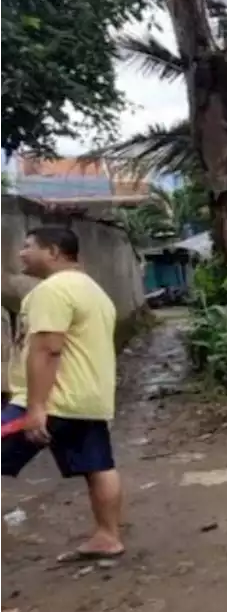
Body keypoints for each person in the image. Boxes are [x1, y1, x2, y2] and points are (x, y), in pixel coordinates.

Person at [0, 227, 123, 562]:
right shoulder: (94, 291)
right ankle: (108, 536)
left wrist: (36, 407)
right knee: (98, 466)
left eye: (28, 246)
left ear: (53, 251)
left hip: (50, 401)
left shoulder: (52, 291)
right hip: (88, 400)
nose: (21, 253)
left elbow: (47, 350)